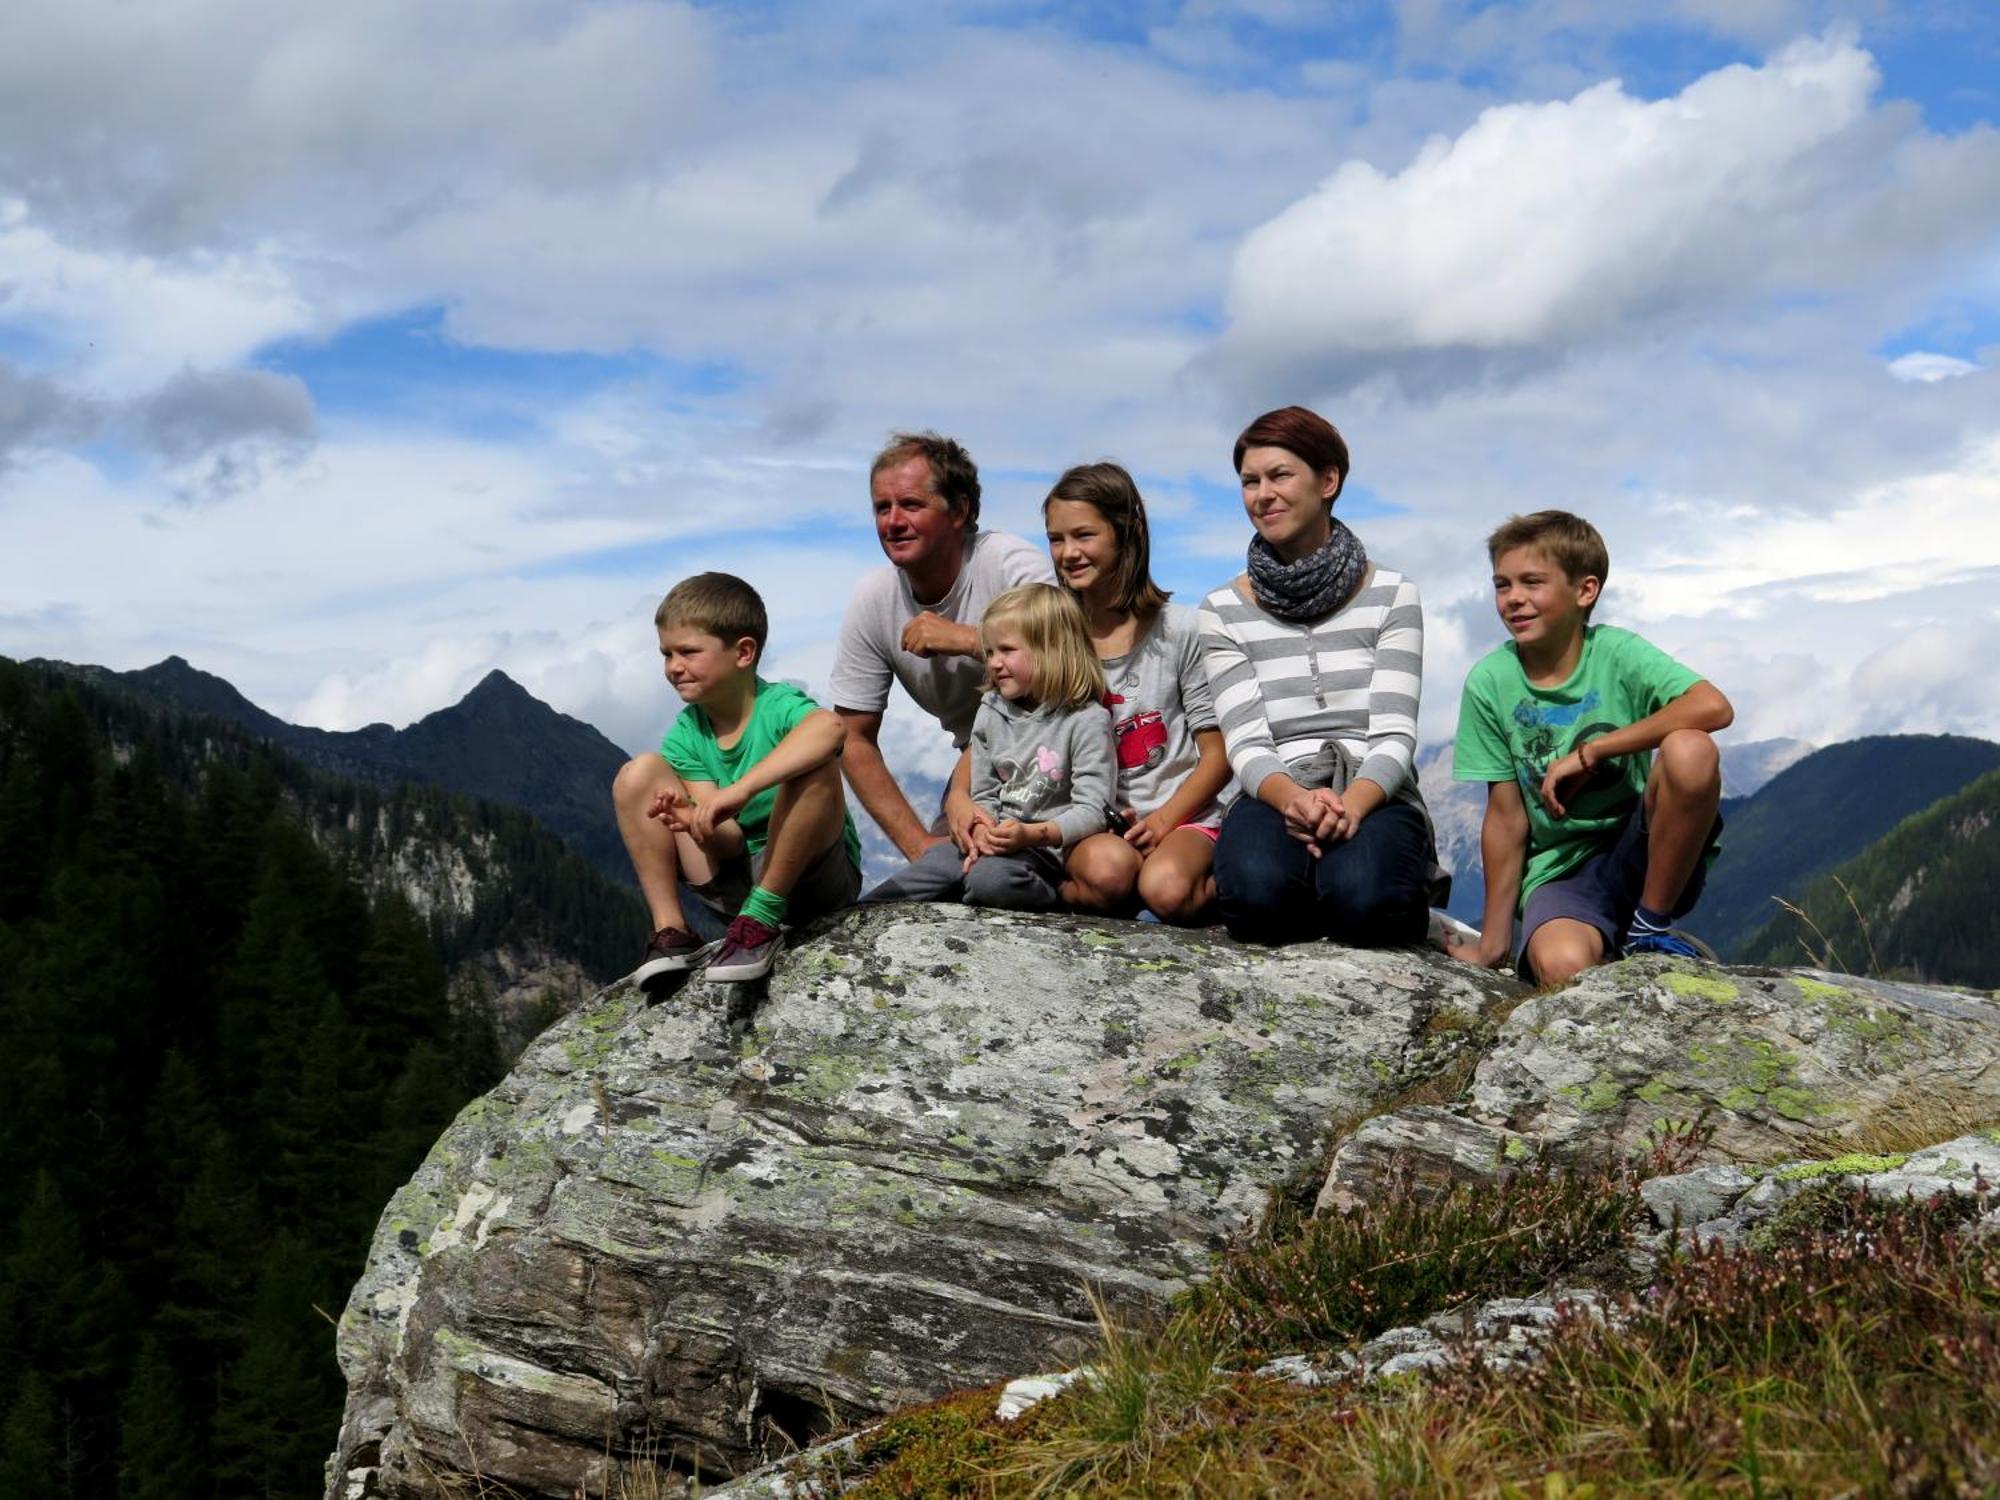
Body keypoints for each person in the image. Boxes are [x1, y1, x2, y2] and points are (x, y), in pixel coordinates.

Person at [1445, 511, 1731, 985]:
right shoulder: (1490, 682)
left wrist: (1592, 752)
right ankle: (1612, 952)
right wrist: (1494, 941)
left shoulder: (1618, 654)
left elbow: (1713, 706)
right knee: (1563, 969)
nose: (1514, 598)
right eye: (1502, 584)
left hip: (1647, 848)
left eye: (1532, 582)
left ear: (1585, 591)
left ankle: (1650, 931)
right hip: (1561, 871)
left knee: (1691, 749)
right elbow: (1506, 816)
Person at [1196, 406, 1442, 946]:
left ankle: (1393, 895)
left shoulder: (1393, 596)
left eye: (1280, 475)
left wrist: (1349, 807)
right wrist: (1296, 801)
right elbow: (1246, 742)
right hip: (1275, 788)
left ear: (1328, 481)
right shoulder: (1221, 610)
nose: (1263, 494)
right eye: (1250, 481)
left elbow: (1394, 732)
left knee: (1367, 902)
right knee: (1255, 899)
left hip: (1374, 787)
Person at [611, 572, 863, 984]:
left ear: (743, 652)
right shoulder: (687, 733)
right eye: (666, 654)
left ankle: (763, 918)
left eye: (688, 652)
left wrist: (740, 791)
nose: (674, 668)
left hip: (813, 883)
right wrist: (696, 823)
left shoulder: (779, 706)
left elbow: (832, 729)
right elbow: (728, 845)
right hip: (738, 883)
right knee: (637, 774)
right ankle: (671, 931)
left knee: (815, 763)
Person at [829, 432, 1054, 862]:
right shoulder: (874, 599)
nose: (892, 522)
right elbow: (852, 738)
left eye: (911, 505)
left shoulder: (1009, 565)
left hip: (1057, 746)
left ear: (960, 511)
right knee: (941, 873)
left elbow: (1068, 670)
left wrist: (969, 640)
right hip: (979, 764)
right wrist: (918, 845)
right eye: (882, 507)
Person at [1044, 462, 1233, 924]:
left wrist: (1165, 820)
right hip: (1092, 822)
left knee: (1167, 890)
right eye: (1055, 538)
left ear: (1127, 533)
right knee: (1110, 875)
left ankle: (1235, 887)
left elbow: (1218, 753)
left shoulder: (1181, 631)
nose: (1068, 553)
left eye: (1084, 535)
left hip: (1182, 815)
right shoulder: (1054, 636)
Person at [862, 584, 1115, 910]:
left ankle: (1052, 904)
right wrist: (981, 834)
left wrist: (1031, 835)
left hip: (1044, 851)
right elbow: (984, 792)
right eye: (990, 652)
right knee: (918, 877)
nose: (994, 663)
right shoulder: (991, 711)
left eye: (1007, 650)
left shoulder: (1086, 720)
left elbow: (1093, 809)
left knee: (990, 882)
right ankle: (848, 924)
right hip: (991, 840)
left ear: (1053, 650)